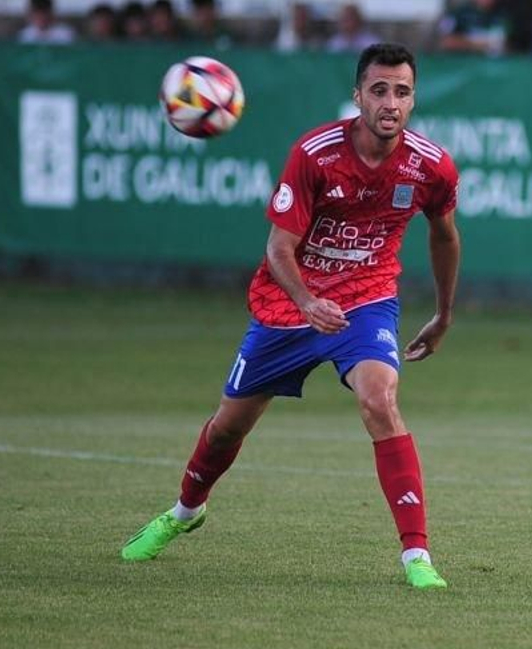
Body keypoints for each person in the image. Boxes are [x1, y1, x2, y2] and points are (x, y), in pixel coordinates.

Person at [119, 42, 463, 594]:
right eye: (379, 90)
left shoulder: (430, 165)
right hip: (289, 304)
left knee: (380, 400)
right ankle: (184, 512)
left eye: (401, 91)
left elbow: (445, 237)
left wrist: (444, 315)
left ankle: (416, 554)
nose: (390, 102)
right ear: (358, 96)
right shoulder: (315, 153)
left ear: (413, 98)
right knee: (230, 423)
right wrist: (307, 302)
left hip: (367, 299)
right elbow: (280, 249)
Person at [436, 0, 510, 56]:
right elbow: (446, 42)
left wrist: (464, 41)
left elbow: (506, 46)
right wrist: (481, 45)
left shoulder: (502, 15)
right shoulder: (458, 13)